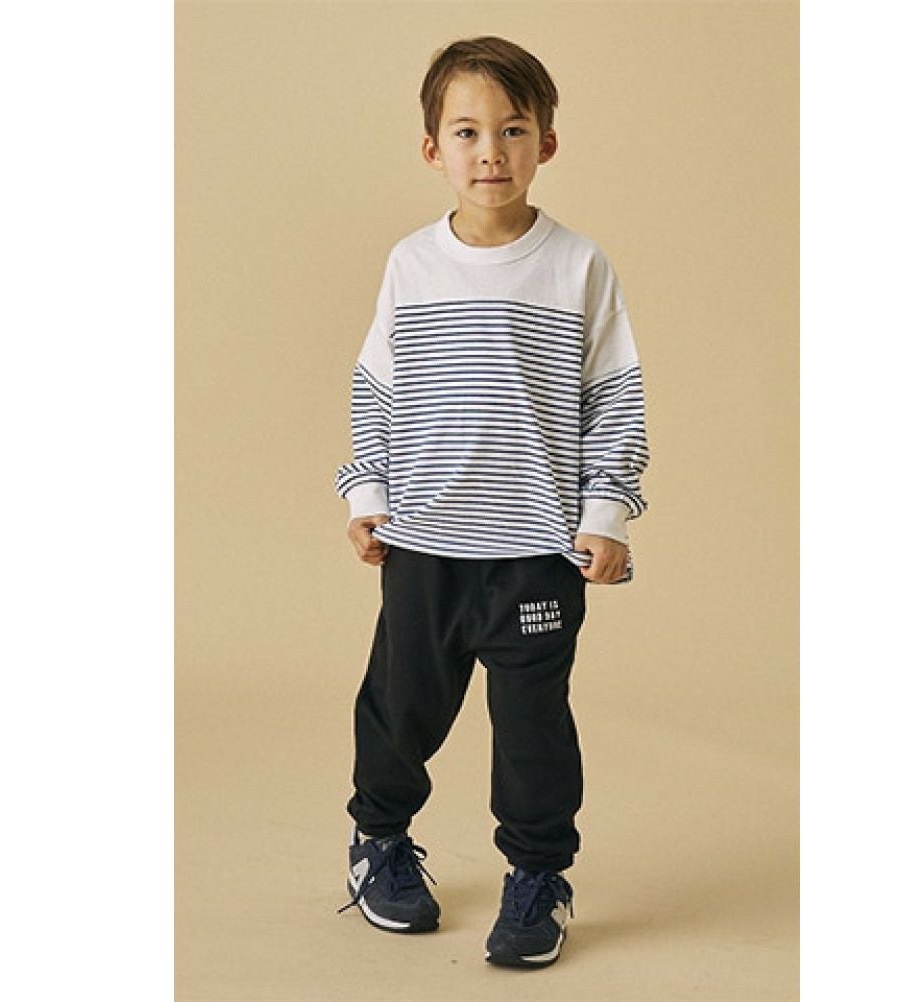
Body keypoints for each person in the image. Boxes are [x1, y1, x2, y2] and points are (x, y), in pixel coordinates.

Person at [333, 34, 651, 969]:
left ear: (546, 142)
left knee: (533, 729)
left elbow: (615, 399)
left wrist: (605, 515)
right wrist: (368, 490)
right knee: (400, 709)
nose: (490, 152)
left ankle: (539, 875)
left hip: (535, 555)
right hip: (426, 546)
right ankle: (378, 841)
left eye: (513, 130)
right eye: (467, 132)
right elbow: (376, 387)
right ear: (432, 147)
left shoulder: (579, 266)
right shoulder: (411, 263)